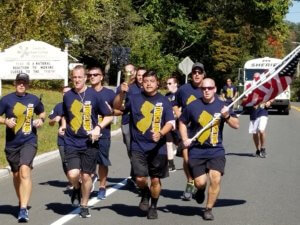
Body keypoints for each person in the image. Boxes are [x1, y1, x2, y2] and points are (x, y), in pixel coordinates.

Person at [114, 70, 175, 219]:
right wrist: (121, 94)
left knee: (155, 179)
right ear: (142, 83)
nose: (148, 83)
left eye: (152, 81)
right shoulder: (134, 98)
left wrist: (160, 133)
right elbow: (117, 108)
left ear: (157, 83)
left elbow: (171, 123)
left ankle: (153, 205)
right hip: (138, 146)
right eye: (146, 81)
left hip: (157, 148)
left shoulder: (164, 101)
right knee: (140, 178)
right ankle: (145, 192)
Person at [179, 78, 239, 221]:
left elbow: (236, 125)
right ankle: (200, 190)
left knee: (215, 178)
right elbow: (182, 121)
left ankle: (208, 209)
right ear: (201, 90)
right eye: (204, 88)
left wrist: (227, 116)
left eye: (210, 88)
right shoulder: (193, 106)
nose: (207, 90)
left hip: (215, 149)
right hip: (197, 149)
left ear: (215, 89)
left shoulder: (222, 106)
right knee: (200, 183)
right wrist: (184, 138)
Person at [60, 65, 113, 218]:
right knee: (73, 174)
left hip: (90, 142)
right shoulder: (68, 96)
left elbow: (109, 116)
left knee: (86, 176)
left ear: (85, 78)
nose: (76, 80)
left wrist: (98, 127)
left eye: (79, 77)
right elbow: (65, 114)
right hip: (71, 141)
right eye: (74, 77)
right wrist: (63, 126)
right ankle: (76, 188)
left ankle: (84, 204)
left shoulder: (94, 95)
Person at [0, 73, 46, 222]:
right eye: (19, 82)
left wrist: (40, 119)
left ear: (28, 84)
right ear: (15, 83)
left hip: (29, 140)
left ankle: (23, 208)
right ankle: (22, 201)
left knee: (24, 170)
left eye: (24, 82)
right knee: (16, 175)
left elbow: (42, 112)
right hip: (12, 143)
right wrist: (5, 121)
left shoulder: (33, 99)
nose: (21, 85)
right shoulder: (6, 100)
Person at [173, 62, 205, 200]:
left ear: (204, 74)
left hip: (203, 131)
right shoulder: (184, 89)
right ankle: (190, 182)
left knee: (200, 160)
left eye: (199, 72)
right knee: (187, 159)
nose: (197, 74)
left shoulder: (207, 88)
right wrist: (180, 116)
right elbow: (174, 104)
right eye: (194, 72)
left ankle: (200, 183)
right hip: (186, 130)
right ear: (191, 74)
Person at [113, 65, 147, 185]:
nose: (130, 74)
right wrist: (122, 92)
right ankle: (136, 172)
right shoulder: (125, 87)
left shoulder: (146, 87)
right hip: (127, 122)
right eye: (127, 72)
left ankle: (137, 174)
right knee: (130, 149)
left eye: (131, 71)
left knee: (140, 149)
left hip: (143, 124)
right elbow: (116, 105)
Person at [87, 66, 115, 200]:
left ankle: (102, 186)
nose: (92, 76)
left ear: (101, 77)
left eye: (95, 74)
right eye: (90, 74)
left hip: (103, 132)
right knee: (88, 160)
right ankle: (91, 177)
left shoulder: (109, 94)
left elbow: (119, 110)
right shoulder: (85, 93)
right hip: (87, 133)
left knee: (102, 161)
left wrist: (112, 111)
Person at [48, 86, 72, 189]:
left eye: (68, 92)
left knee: (76, 160)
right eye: (64, 93)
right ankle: (71, 181)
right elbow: (50, 123)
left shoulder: (78, 105)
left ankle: (79, 179)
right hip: (62, 138)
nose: (65, 94)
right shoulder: (58, 106)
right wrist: (54, 120)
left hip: (76, 138)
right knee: (65, 161)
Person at [248, 73, 272, 158]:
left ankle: (263, 148)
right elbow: (245, 98)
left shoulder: (265, 86)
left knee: (261, 130)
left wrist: (270, 101)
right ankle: (257, 150)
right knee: (254, 132)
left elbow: (273, 95)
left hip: (263, 111)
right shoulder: (250, 87)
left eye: (257, 77)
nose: (256, 78)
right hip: (253, 112)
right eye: (254, 77)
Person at [165, 76, 179, 172]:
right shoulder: (166, 96)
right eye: (167, 84)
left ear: (175, 84)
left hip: (179, 123)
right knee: (168, 143)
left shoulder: (180, 94)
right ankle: (171, 165)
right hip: (169, 123)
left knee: (180, 145)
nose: (168, 85)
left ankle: (191, 162)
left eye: (170, 83)